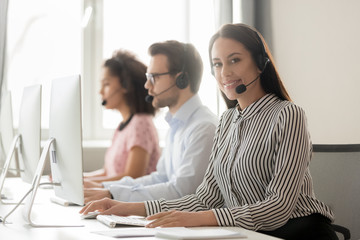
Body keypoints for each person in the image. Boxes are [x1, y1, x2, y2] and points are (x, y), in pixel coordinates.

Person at [80, 24, 338, 240]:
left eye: (234, 60)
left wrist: (201, 218)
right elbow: (205, 197)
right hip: (248, 233)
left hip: (298, 231)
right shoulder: (226, 121)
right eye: (217, 64)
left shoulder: (288, 114)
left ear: (261, 64)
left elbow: (278, 207)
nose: (224, 72)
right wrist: (126, 208)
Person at [83, 40, 218, 204]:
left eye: (154, 77)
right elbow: (160, 178)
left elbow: (182, 192)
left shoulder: (203, 128)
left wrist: (113, 195)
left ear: (182, 79)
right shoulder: (176, 126)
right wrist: (106, 189)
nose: (147, 85)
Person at [83, 50, 160, 186]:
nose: (100, 91)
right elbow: (108, 173)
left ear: (125, 85)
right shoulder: (123, 126)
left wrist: (90, 184)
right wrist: (81, 178)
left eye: (106, 84)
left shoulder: (141, 123)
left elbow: (133, 177)